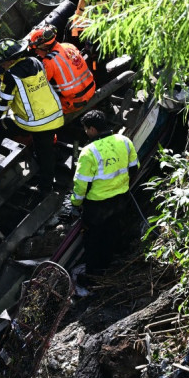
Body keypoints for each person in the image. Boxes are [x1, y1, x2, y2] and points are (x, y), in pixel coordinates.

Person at [0, 38, 64, 192]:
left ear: (9, 61)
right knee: (45, 152)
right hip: (54, 117)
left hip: (33, 122)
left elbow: (2, 105)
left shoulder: (11, 75)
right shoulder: (36, 62)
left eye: (1, 62)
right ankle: (45, 187)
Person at [70, 110, 140, 277]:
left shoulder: (88, 152)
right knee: (112, 232)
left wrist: (75, 204)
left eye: (86, 129)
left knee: (93, 241)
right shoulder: (124, 141)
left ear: (93, 129)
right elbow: (134, 168)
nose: (86, 133)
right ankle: (111, 263)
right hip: (121, 199)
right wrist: (122, 186)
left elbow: (81, 185)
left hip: (97, 206)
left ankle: (94, 275)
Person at [27, 24, 96, 115]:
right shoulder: (69, 46)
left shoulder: (48, 62)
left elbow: (39, 86)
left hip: (74, 103)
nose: (36, 52)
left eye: (36, 49)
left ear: (44, 46)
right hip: (91, 89)